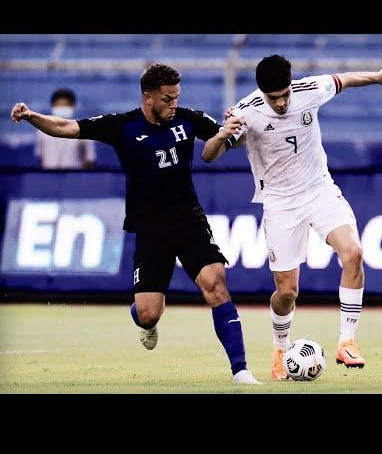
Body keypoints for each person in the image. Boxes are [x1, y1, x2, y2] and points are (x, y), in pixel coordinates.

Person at [11, 63, 260, 385]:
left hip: (189, 221)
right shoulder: (122, 126)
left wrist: (233, 129)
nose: (173, 104)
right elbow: (66, 127)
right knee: (148, 313)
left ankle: (240, 370)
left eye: (176, 97)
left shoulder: (188, 118)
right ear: (148, 97)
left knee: (216, 284)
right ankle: (145, 322)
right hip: (150, 229)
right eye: (167, 99)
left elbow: (225, 144)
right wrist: (33, 117)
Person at [202, 55, 382, 379]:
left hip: (319, 189)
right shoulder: (246, 111)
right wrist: (223, 134)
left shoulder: (310, 89)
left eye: (284, 95)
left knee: (353, 252)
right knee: (287, 292)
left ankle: (347, 341)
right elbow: (208, 155)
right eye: (273, 98)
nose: (280, 103)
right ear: (261, 92)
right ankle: (281, 348)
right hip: (280, 203)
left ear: (291, 84)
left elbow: (346, 78)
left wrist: (379, 77)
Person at [35, 88, 96, 169]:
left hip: (75, 177)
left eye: (65, 105)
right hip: (49, 176)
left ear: (73, 106)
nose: (62, 108)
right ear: (53, 106)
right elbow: (40, 157)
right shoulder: (42, 130)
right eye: (59, 105)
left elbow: (89, 159)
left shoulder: (84, 128)